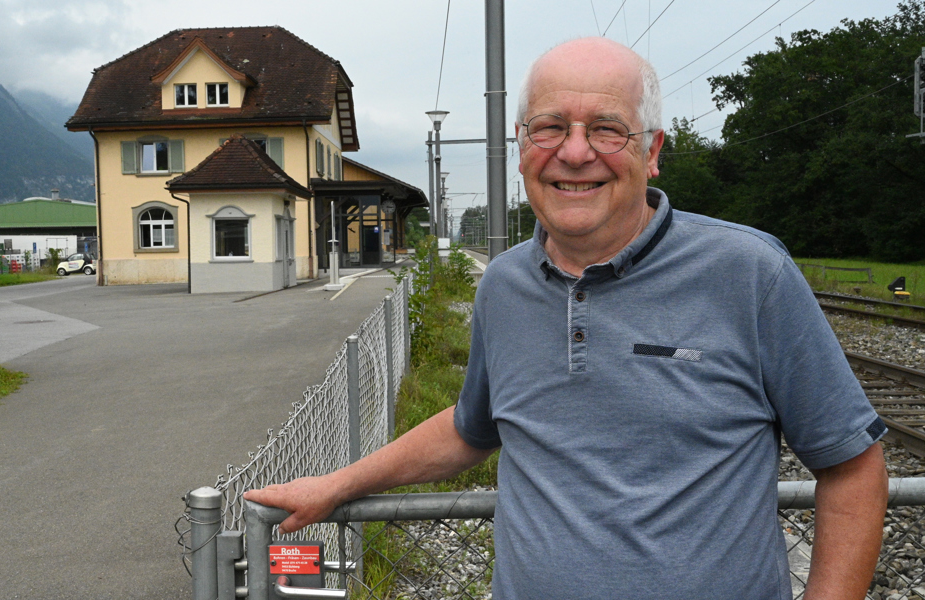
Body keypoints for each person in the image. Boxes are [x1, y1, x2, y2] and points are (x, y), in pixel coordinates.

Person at [245, 37, 889, 599]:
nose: (574, 153)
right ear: (522, 144)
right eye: (549, 126)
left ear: (653, 149)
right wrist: (336, 485)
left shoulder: (749, 272)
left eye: (607, 129)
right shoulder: (503, 286)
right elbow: (474, 427)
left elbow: (852, 465)